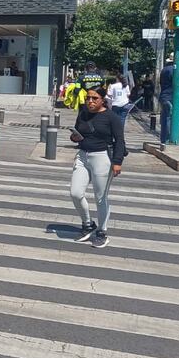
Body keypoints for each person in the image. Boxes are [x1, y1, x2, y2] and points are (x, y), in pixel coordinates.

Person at [68, 86, 126, 249]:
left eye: (94, 98)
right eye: (88, 98)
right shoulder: (83, 113)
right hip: (83, 155)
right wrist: (74, 137)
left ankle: (102, 232)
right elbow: (79, 133)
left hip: (102, 157)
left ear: (102, 100)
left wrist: (117, 162)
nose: (90, 101)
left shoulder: (111, 117)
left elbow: (120, 141)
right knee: (75, 192)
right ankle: (88, 224)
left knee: (100, 197)